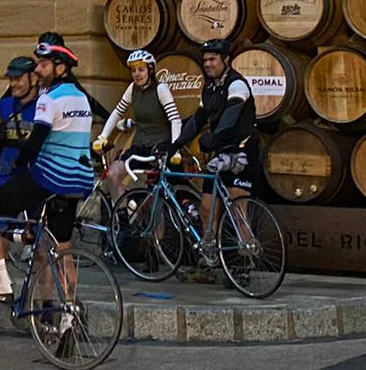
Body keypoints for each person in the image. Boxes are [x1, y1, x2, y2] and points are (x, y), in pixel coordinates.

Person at [0, 41, 95, 303]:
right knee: (62, 248)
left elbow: (36, 141)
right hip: (79, 181)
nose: (39, 70)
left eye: (43, 64)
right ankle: (69, 315)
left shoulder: (48, 99)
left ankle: (3, 287)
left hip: (48, 177)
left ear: (60, 67)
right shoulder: (81, 97)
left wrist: (20, 164)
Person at [166, 41, 257, 241]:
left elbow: (231, 114)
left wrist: (216, 136)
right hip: (221, 151)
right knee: (206, 208)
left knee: (238, 207)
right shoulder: (209, 88)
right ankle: (209, 257)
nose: (208, 64)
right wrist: (176, 144)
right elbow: (197, 120)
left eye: (213, 59)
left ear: (226, 60)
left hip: (242, 151)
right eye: (205, 59)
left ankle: (247, 257)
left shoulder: (237, 84)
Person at [95, 50, 185, 199]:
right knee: (112, 174)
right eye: (133, 70)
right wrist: (103, 136)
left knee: (156, 195)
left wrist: (175, 149)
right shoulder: (132, 89)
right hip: (140, 146)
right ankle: (122, 217)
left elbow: (175, 119)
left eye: (141, 70)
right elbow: (117, 112)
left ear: (150, 70)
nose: (137, 74)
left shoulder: (160, 89)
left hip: (160, 146)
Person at [0, 55, 41, 197]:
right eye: (10, 79)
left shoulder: (45, 107)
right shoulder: (3, 105)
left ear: (33, 78)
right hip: (6, 179)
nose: (13, 84)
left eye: (18, 79)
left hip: (36, 181)